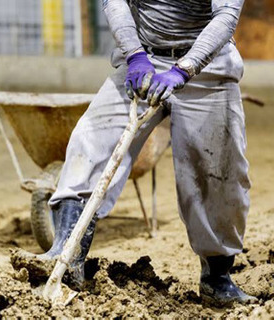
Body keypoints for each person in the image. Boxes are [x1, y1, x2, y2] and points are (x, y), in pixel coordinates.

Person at [44, 0, 257, 307]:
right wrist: (134, 55)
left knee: (220, 177)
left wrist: (185, 68)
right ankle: (66, 257)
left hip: (207, 67)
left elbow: (225, 16)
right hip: (143, 61)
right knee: (89, 142)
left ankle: (217, 279)